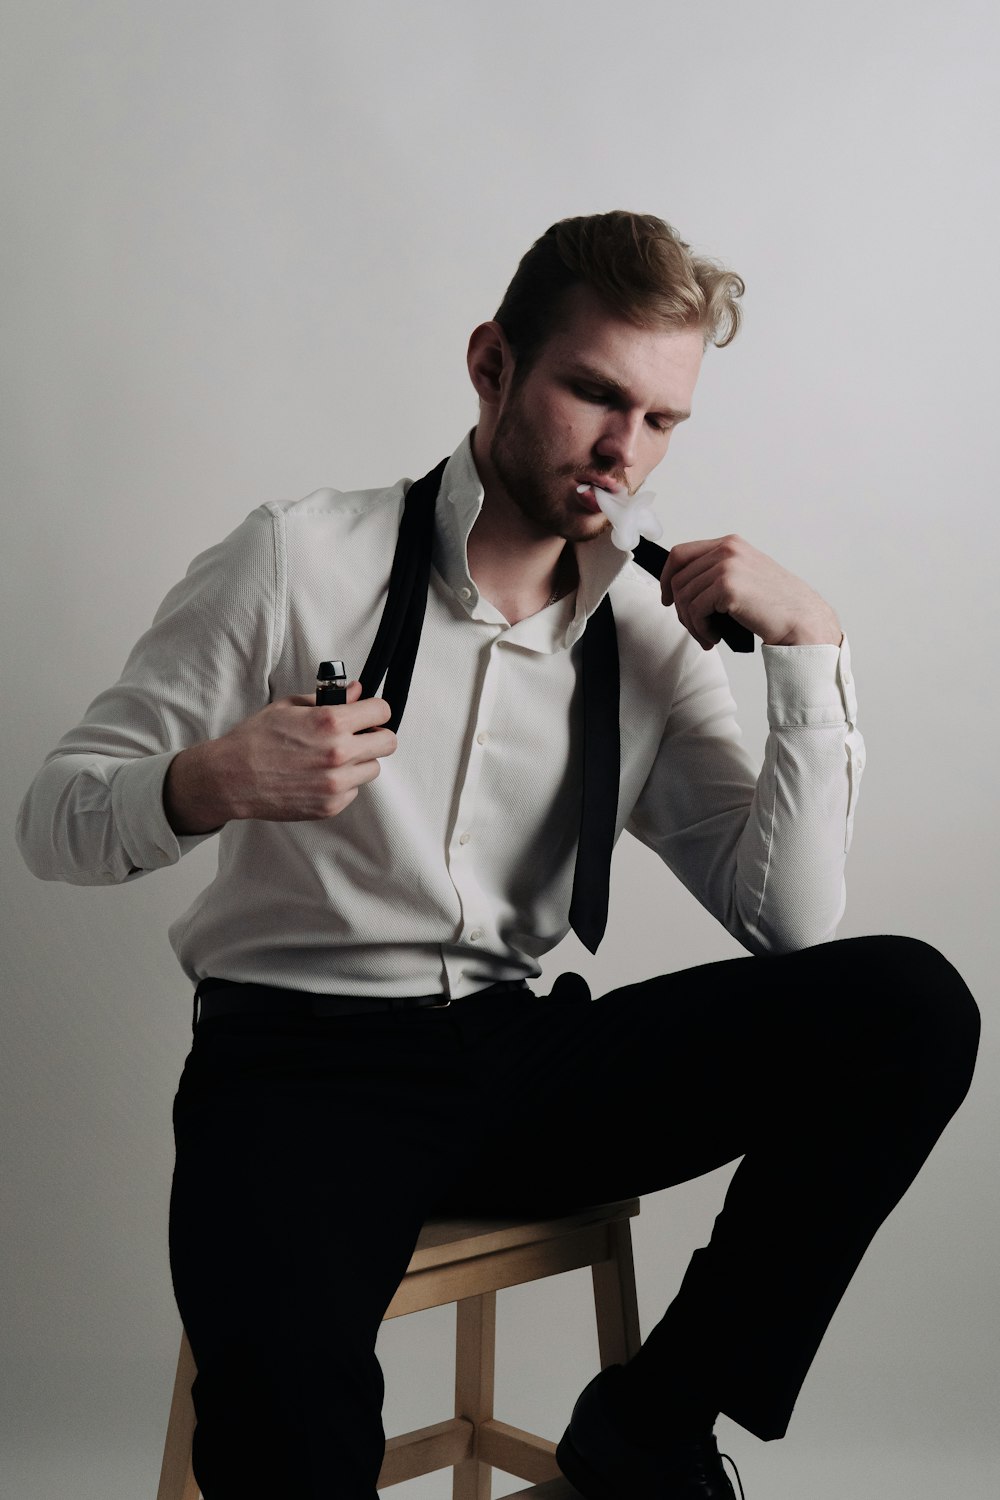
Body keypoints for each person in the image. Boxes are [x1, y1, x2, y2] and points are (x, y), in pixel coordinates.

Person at [17, 211, 979, 1500]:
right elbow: (54, 816)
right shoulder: (300, 556)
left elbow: (792, 927)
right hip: (299, 1071)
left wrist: (811, 650)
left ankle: (654, 1420)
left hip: (515, 1057)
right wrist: (211, 778)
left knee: (904, 1006)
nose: (621, 452)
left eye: (660, 419)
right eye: (593, 393)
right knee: (294, 1451)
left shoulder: (643, 626)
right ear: (493, 366)